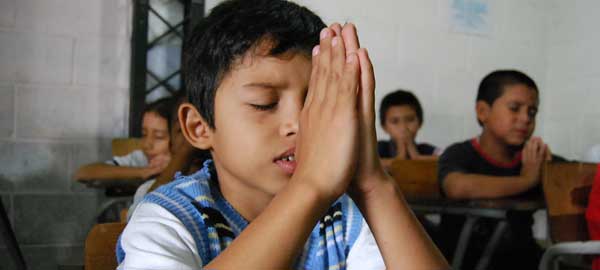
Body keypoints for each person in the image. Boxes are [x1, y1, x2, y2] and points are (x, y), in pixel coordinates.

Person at [116, 0, 448, 269]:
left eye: (312, 103)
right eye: (265, 104)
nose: (300, 124)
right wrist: (310, 186)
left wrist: (373, 183)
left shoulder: (345, 217)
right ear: (199, 127)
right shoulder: (170, 217)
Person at [437, 69, 565, 269]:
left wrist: (552, 173)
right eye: (514, 108)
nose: (525, 119)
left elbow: (581, 176)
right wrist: (527, 181)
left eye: (532, 112)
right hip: (463, 262)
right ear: (483, 112)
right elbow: (457, 187)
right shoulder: (460, 153)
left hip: (522, 261)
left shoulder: (533, 158)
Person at [126, 93, 209, 220]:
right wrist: (184, 151)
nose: (195, 136)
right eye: (182, 131)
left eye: (205, 126)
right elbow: (139, 220)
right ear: (170, 141)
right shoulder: (149, 189)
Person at [74, 98, 173, 186]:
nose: (147, 145)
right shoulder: (143, 159)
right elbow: (83, 173)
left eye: (159, 136)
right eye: (144, 134)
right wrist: (144, 172)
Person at [377, 89, 440, 167]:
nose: (403, 128)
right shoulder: (378, 148)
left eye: (410, 120)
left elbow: (449, 160)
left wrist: (417, 157)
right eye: (395, 121)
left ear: (420, 122)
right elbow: (365, 165)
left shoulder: (427, 150)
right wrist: (400, 158)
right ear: (384, 127)